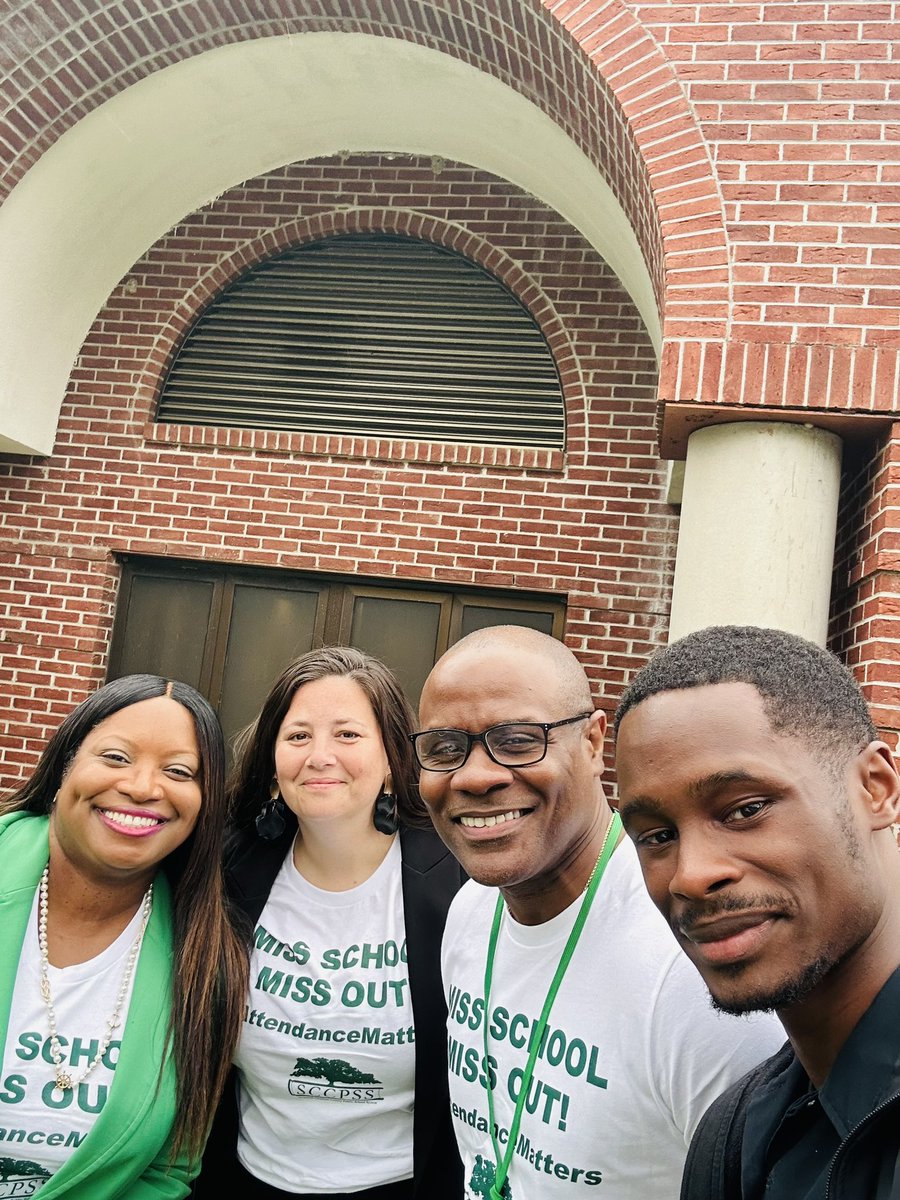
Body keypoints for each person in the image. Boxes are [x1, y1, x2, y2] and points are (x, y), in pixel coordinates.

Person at [414, 625, 782, 1200]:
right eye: (443, 749)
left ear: (591, 742)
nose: (475, 776)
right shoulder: (467, 912)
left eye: (517, 740)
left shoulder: (691, 967)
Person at [613, 623, 900, 1200]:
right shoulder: (734, 1132)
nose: (692, 874)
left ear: (875, 789)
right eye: (657, 836)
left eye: (745, 810)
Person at [194, 646, 465, 1200]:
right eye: (298, 737)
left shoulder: (457, 881)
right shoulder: (225, 871)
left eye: (347, 735)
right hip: (243, 1181)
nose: (320, 756)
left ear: (391, 756)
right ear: (273, 759)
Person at [0, 674, 247, 1199]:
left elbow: (167, 1171)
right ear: (65, 766)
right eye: (115, 757)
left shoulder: (209, 961)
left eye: (179, 771)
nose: (142, 787)